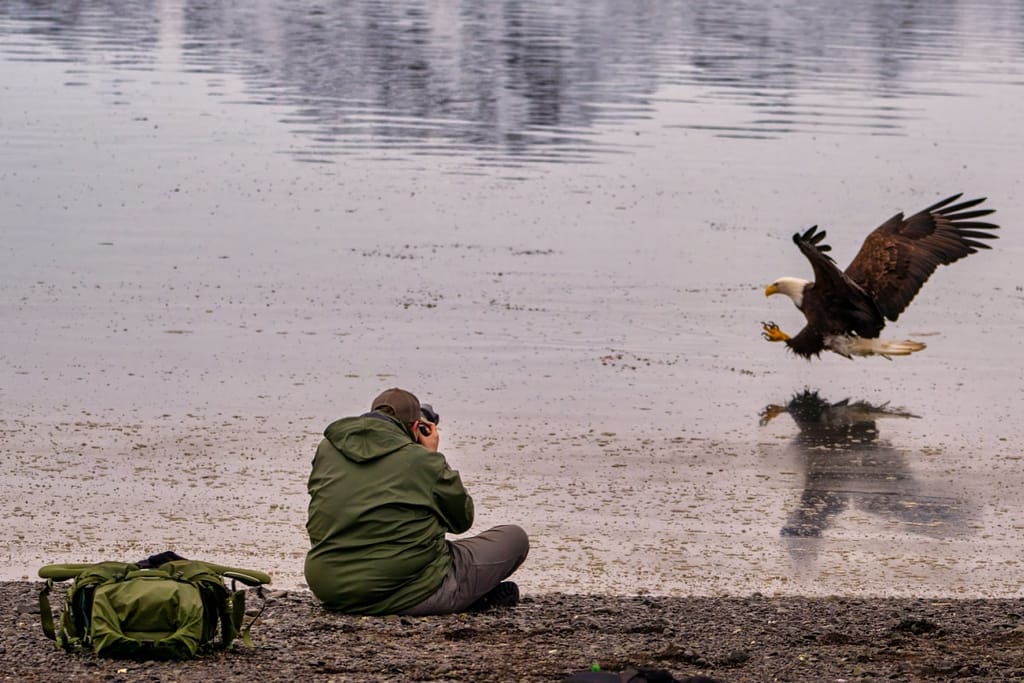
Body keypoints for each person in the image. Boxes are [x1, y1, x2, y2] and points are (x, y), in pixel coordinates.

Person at [304, 387, 529, 615]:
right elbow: (461, 520)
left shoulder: (327, 449)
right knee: (515, 538)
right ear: (415, 428)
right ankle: (462, 598)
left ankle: (465, 596)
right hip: (406, 591)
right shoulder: (423, 461)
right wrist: (432, 456)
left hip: (330, 588)